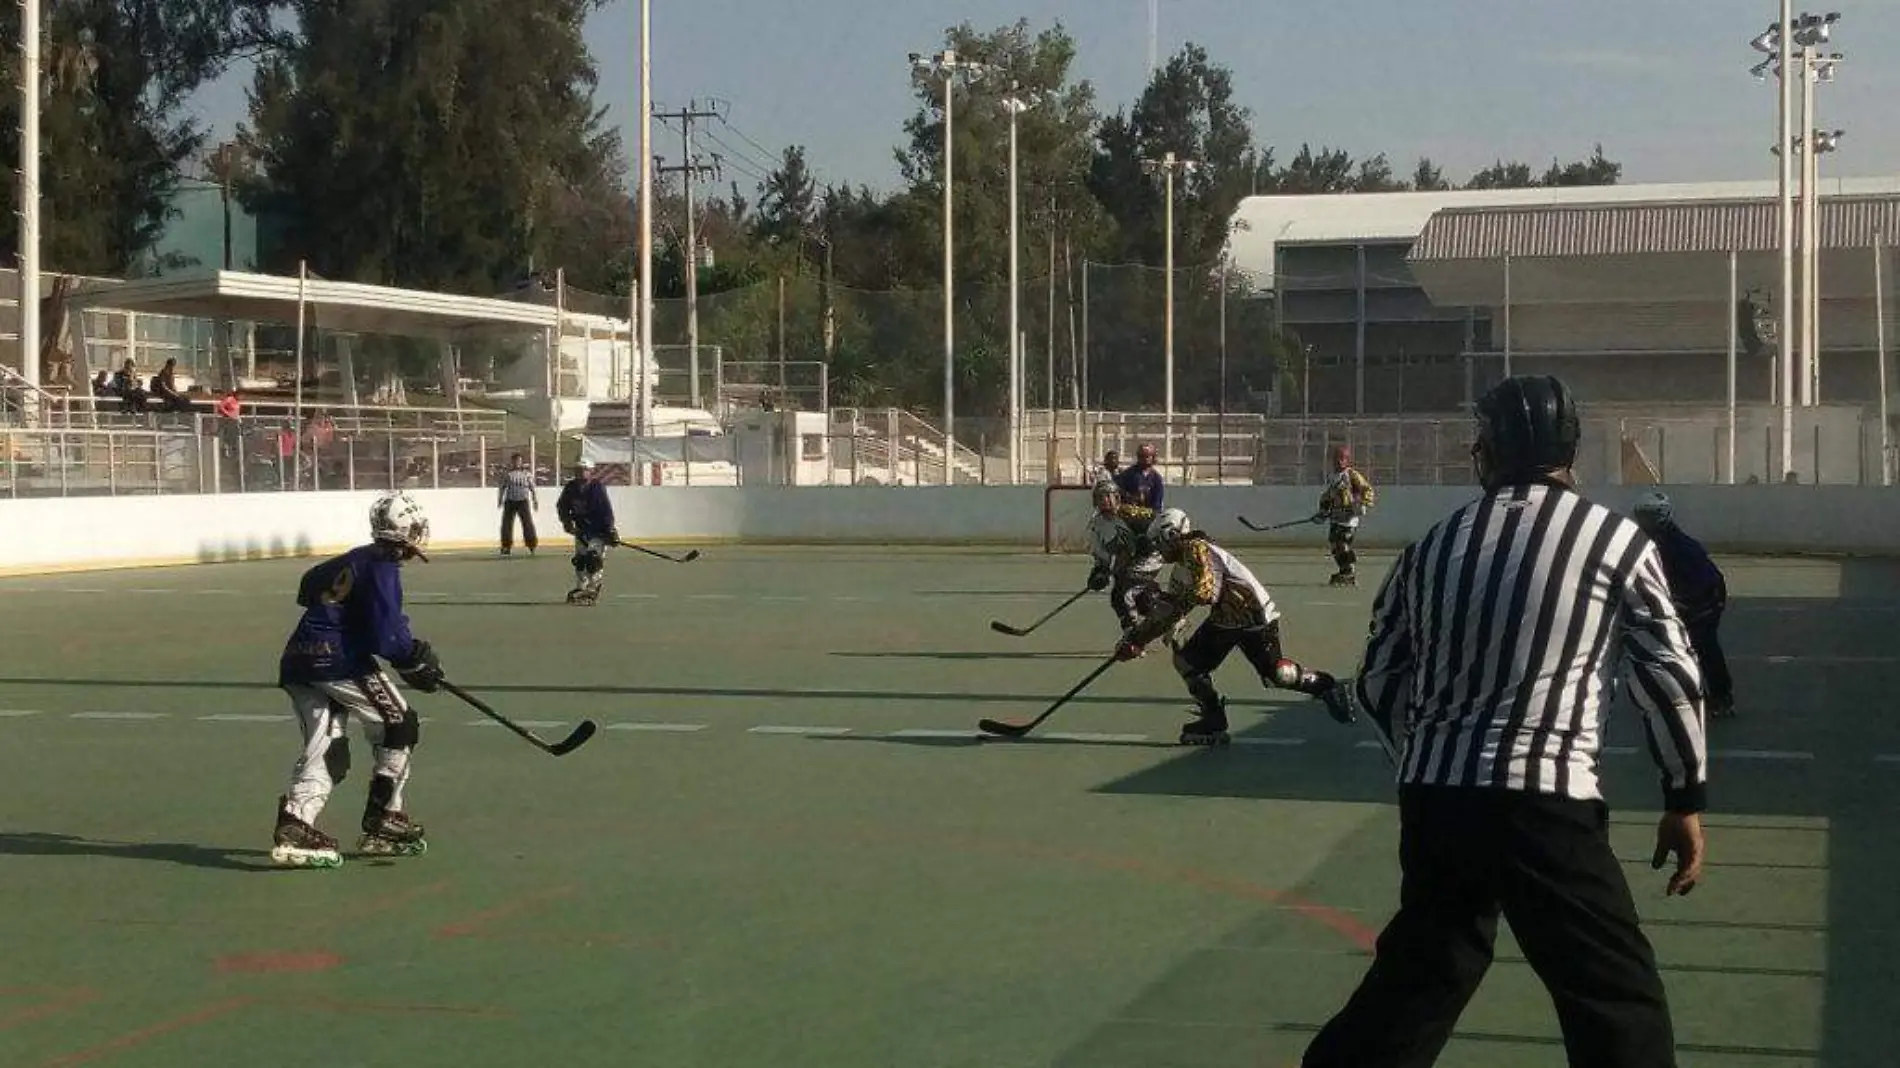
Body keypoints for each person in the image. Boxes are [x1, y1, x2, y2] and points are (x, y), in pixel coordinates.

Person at [1300, 374, 1708, 1068]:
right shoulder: (1614, 540)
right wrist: (1684, 796)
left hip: (1436, 799)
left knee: (1424, 974)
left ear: (1488, 450)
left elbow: (1378, 681)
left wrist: (1425, 756)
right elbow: (1668, 672)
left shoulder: (1432, 546)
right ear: (1568, 448)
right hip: (1547, 799)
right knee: (1613, 995)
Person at [271, 492, 443, 869]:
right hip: (338, 661)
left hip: (299, 660)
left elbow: (308, 585)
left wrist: (346, 616)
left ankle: (296, 824)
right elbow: (388, 637)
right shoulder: (383, 567)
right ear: (407, 530)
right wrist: (413, 659)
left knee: (328, 745)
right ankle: (383, 818)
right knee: (398, 723)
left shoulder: (356, 557)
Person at [1114, 508, 1354, 744]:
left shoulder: (1197, 549)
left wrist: (1167, 608)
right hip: (1225, 621)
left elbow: (1204, 592)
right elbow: (1173, 611)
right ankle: (1213, 720)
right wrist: (1137, 639)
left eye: (1160, 542)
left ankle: (1327, 686)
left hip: (1255, 615)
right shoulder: (1180, 569)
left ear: (1172, 535)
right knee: (1187, 663)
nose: (1158, 549)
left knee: (1277, 675)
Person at [1633, 490, 1734, 719]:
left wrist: (1684, 604)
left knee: (1703, 648)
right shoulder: (1655, 540)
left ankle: (1721, 696)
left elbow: (1703, 581)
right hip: (1692, 600)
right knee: (1683, 648)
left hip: (1705, 600)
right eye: (1642, 515)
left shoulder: (1676, 545)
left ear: (1662, 515)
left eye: (1650, 515)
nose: (1644, 520)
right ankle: (1696, 695)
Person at [1083, 479, 1164, 635]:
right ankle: (1164, 615)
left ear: (1117, 498)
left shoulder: (1132, 513)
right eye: (1100, 497)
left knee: (1124, 589)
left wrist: (1149, 541)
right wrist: (1100, 571)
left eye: (1108, 496)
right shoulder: (1096, 526)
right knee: (1130, 597)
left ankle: (1134, 636)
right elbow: (1102, 556)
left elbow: (1159, 522)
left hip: (1151, 557)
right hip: (1129, 561)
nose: (1104, 500)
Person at [556, 458, 618, 605]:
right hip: (581, 530)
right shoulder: (571, 488)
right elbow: (562, 506)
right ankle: (581, 586)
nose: (580, 473)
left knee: (593, 559)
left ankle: (593, 587)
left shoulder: (597, 487)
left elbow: (606, 510)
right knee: (580, 560)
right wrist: (566, 521)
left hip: (598, 531)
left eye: (584, 470)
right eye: (577, 470)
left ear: (591, 471)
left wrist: (609, 529)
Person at [1317, 445, 1375, 587]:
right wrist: (1323, 509)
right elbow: (1329, 495)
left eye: (1342, 459)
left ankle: (1349, 571)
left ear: (1347, 461)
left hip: (1348, 519)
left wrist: (1363, 502)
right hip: (1336, 517)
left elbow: (1367, 489)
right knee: (1334, 544)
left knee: (1342, 543)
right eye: (1336, 459)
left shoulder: (1352, 475)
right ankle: (1344, 570)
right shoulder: (1333, 477)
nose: (1338, 462)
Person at [497, 452, 539, 556]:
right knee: (507, 524)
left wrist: (535, 500)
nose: (517, 463)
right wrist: (500, 499)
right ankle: (506, 546)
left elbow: (532, 488)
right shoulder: (507, 474)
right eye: (515, 461)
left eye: (519, 461)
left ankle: (531, 545)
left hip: (523, 501)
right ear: (512, 462)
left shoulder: (527, 474)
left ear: (521, 462)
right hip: (510, 501)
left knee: (527, 523)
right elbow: (502, 487)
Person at [1114, 443, 1164, 508]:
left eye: (1147, 456)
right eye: (1141, 456)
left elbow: (1157, 502)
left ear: (1153, 457)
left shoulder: (1156, 478)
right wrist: (1130, 498)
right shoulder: (1128, 474)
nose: (1144, 459)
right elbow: (1118, 492)